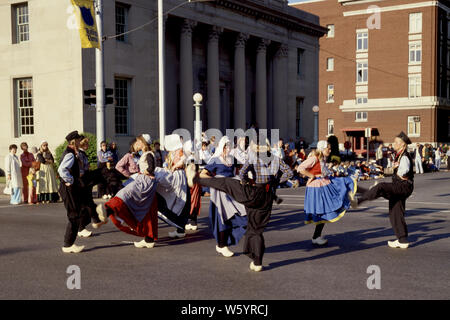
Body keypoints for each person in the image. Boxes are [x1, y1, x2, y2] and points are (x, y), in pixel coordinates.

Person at [187, 139, 293, 272]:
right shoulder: (276, 159)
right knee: (257, 230)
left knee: (226, 184)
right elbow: (289, 173)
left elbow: (242, 174)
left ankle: (196, 179)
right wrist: (275, 182)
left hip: (253, 192)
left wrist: (246, 182)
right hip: (267, 196)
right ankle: (257, 262)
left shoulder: (253, 158)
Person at [351, 131, 414, 249]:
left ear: (403, 145)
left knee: (381, 187)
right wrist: (385, 170)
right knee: (395, 212)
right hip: (401, 186)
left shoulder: (404, 156)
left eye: (396, 142)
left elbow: (404, 171)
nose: (394, 143)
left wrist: (399, 172)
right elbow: (396, 170)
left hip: (403, 186)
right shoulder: (399, 155)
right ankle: (402, 239)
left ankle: (359, 200)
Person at [297, 141, 357, 246]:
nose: (329, 150)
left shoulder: (322, 159)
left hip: (322, 185)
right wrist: (311, 176)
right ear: (322, 149)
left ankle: (316, 236)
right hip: (317, 188)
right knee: (322, 211)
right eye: (327, 148)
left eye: (329, 148)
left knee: (324, 211)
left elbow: (322, 171)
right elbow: (300, 168)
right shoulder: (314, 158)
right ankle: (316, 237)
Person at [201, 136, 247, 257]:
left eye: (229, 145)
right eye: (225, 145)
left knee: (241, 213)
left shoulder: (232, 159)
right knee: (222, 218)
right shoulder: (215, 159)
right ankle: (222, 245)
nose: (228, 148)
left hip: (231, 189)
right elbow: (203, 174)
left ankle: (224, 243)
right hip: (220, 192)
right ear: (221, 147)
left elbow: (242, 167)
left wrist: (241, 178)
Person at [58, 131, 85, 253]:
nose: (80, 141)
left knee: (75, 213)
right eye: (79, 140)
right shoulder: (69, 154)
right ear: (74, 141)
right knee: (73, 214)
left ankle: (69, 244)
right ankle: (68, 245)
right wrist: (70, 179)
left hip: (69, 188)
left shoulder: (72, 153)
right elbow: (62, 169)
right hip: (68, 188)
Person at [77, 135, 107, 238]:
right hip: (82, 182)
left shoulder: (82, 154)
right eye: (86, 143)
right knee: (84, 206)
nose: (88, 145)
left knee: (88, 203)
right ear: (82, 144)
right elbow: (80, 168)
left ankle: (95, 220)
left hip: (86, 181)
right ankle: (81, 228)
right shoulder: (79, 154)